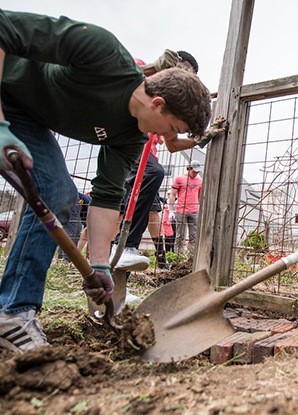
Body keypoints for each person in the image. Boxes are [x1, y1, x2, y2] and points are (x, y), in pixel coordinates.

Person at [0, 10, 211, 354]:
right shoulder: (102, 53)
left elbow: (107, 195)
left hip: (26, 116)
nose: (170, 138)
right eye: (174, 128)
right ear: (158, 104)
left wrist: (98, 264)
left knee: (58, 195)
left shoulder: (132, 137)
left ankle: (13, 312)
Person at [109, 51, 226, 272]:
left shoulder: (172, 107)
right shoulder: (143, 70)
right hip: (124, 145)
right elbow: (119, 75)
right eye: (182, 72)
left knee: (141, 199)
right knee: (147, 177)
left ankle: (123, 255)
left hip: (146, 155)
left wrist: (202, 137)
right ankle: (121, 247)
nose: (184, 80)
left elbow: (171, 144)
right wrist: (155, 67)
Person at [169, 161, 203, 254]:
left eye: (197, 172)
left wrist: (200, 208)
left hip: (194, 212)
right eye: (194, 171)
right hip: (181, 211)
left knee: (194, 237)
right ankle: (177, 257)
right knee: (180, 236)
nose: (196, 174)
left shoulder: (200, 181)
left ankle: (190, 258)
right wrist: (171, 210)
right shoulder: (179, 179)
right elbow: (172, 194)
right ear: (189, 168)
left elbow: (199, 196)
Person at [58, 192, 91, 262]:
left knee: (66, 230)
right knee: (74, 228)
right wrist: (88, 254)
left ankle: (61, 259)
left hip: (66, 196)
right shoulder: (93, 208)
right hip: (73, 198)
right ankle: (67, 261)